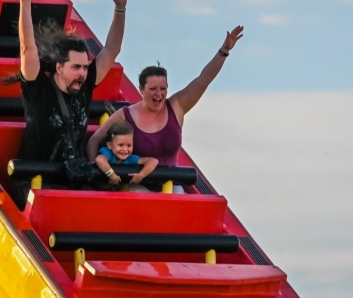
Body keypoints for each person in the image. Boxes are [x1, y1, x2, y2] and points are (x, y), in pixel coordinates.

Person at [10, 0, 127, 207]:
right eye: (76, 67)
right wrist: (25, 2)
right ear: (59, 67)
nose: (83, 73)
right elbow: (27, 49)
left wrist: (120, 9)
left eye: (85, 67)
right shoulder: (38, 87)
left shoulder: (83, 86)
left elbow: (111, 50)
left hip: (73, 178)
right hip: (36, 180)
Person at [85, 25, 244, 183]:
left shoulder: (176, 106)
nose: (158, 93)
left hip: (172, 182)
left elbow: (204, 79)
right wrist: (96, 175)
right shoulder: (126, 115)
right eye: (153, 89)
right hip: (137, 184)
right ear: (141, 89)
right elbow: (94, 140)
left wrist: (224, 51)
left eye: (163, 88)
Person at [95, 122, 158, 191]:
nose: (125, 149)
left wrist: (141, 175)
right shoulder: (108, 153)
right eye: (120, 145)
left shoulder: (130, 158)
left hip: (120, 188)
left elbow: (153, 161)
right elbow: (100, 160)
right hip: (100, 188)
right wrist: (112, 175)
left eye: (129, 145)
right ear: (109, 145)